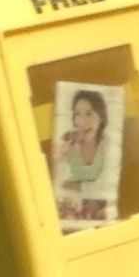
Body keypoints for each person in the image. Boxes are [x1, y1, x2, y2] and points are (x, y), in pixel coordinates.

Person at [53, 88, 111, 227]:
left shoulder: (109, 145)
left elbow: (104, 185)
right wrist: (56, 161)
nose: (81, 121)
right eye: (77, 114)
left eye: (89, 113)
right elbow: (59, 185)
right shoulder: (67, 142)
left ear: (101, 117)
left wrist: (75, 185)